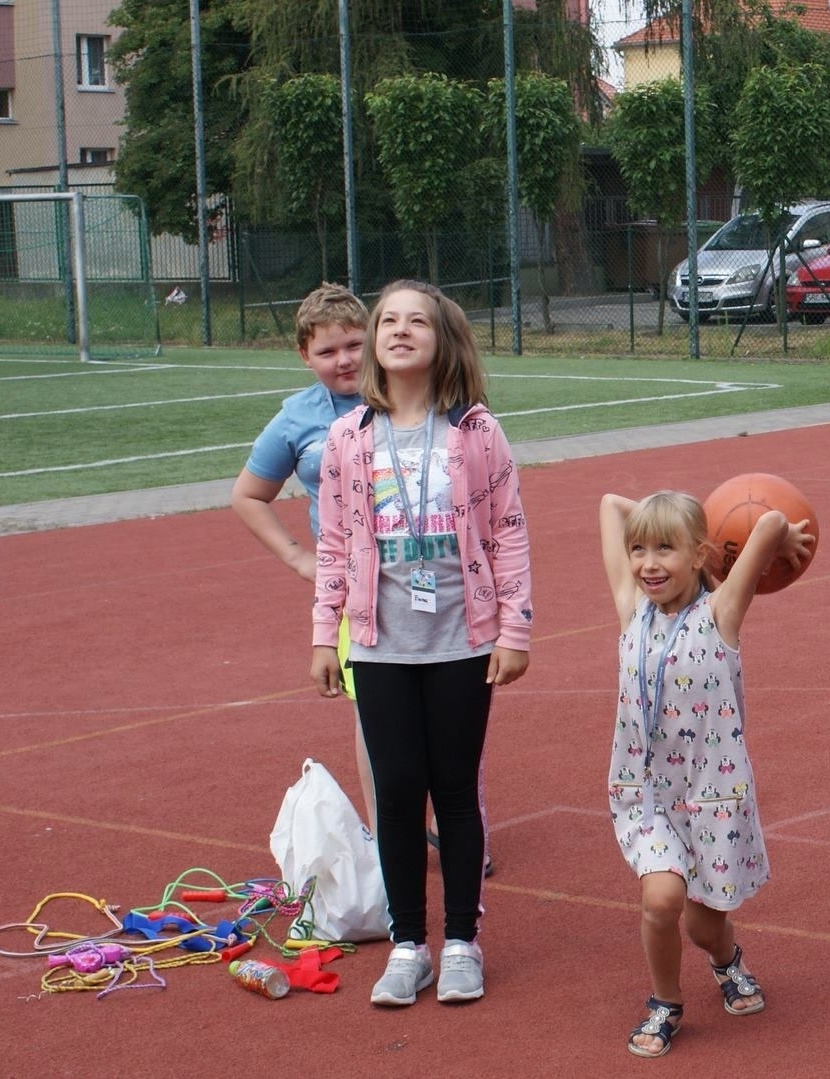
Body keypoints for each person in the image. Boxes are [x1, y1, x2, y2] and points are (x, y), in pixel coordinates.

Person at [310, 279, 533, 1007]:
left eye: (417, 321)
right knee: (398, 793)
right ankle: (410, 945)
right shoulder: (349, 438)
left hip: (461, 639)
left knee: (455, 791)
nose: (399, 330)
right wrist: (324, 633)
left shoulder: (475, 431)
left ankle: (462, 939)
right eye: (388, 321)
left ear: (444, 340)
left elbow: (508, 533)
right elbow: (336, 543)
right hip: (379, 643)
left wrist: (514, 628)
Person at [597, 489, 812, 1058]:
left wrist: (782, 537)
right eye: (638, 549)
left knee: (703, 927)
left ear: (699, 555)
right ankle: (665, 1002)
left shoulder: (720, 614)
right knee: (662, 901)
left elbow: (766, 520)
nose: (647, 563)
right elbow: (610, 503)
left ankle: (726, 960)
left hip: (715, 798)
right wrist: (659, 515)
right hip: (648, 797)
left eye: (665, 549)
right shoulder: (631, 610)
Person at [232, 283, 372, 817]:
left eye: (355, 344)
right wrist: (298, 558)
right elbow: (248, 495)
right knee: (374, 717)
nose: (344, 360)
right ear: (303, 356)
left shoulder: (408, 393)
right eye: (327, 351)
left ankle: (456, 830)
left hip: (426, 576)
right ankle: (390, 838)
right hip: (353, 586)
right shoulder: (298, 416)